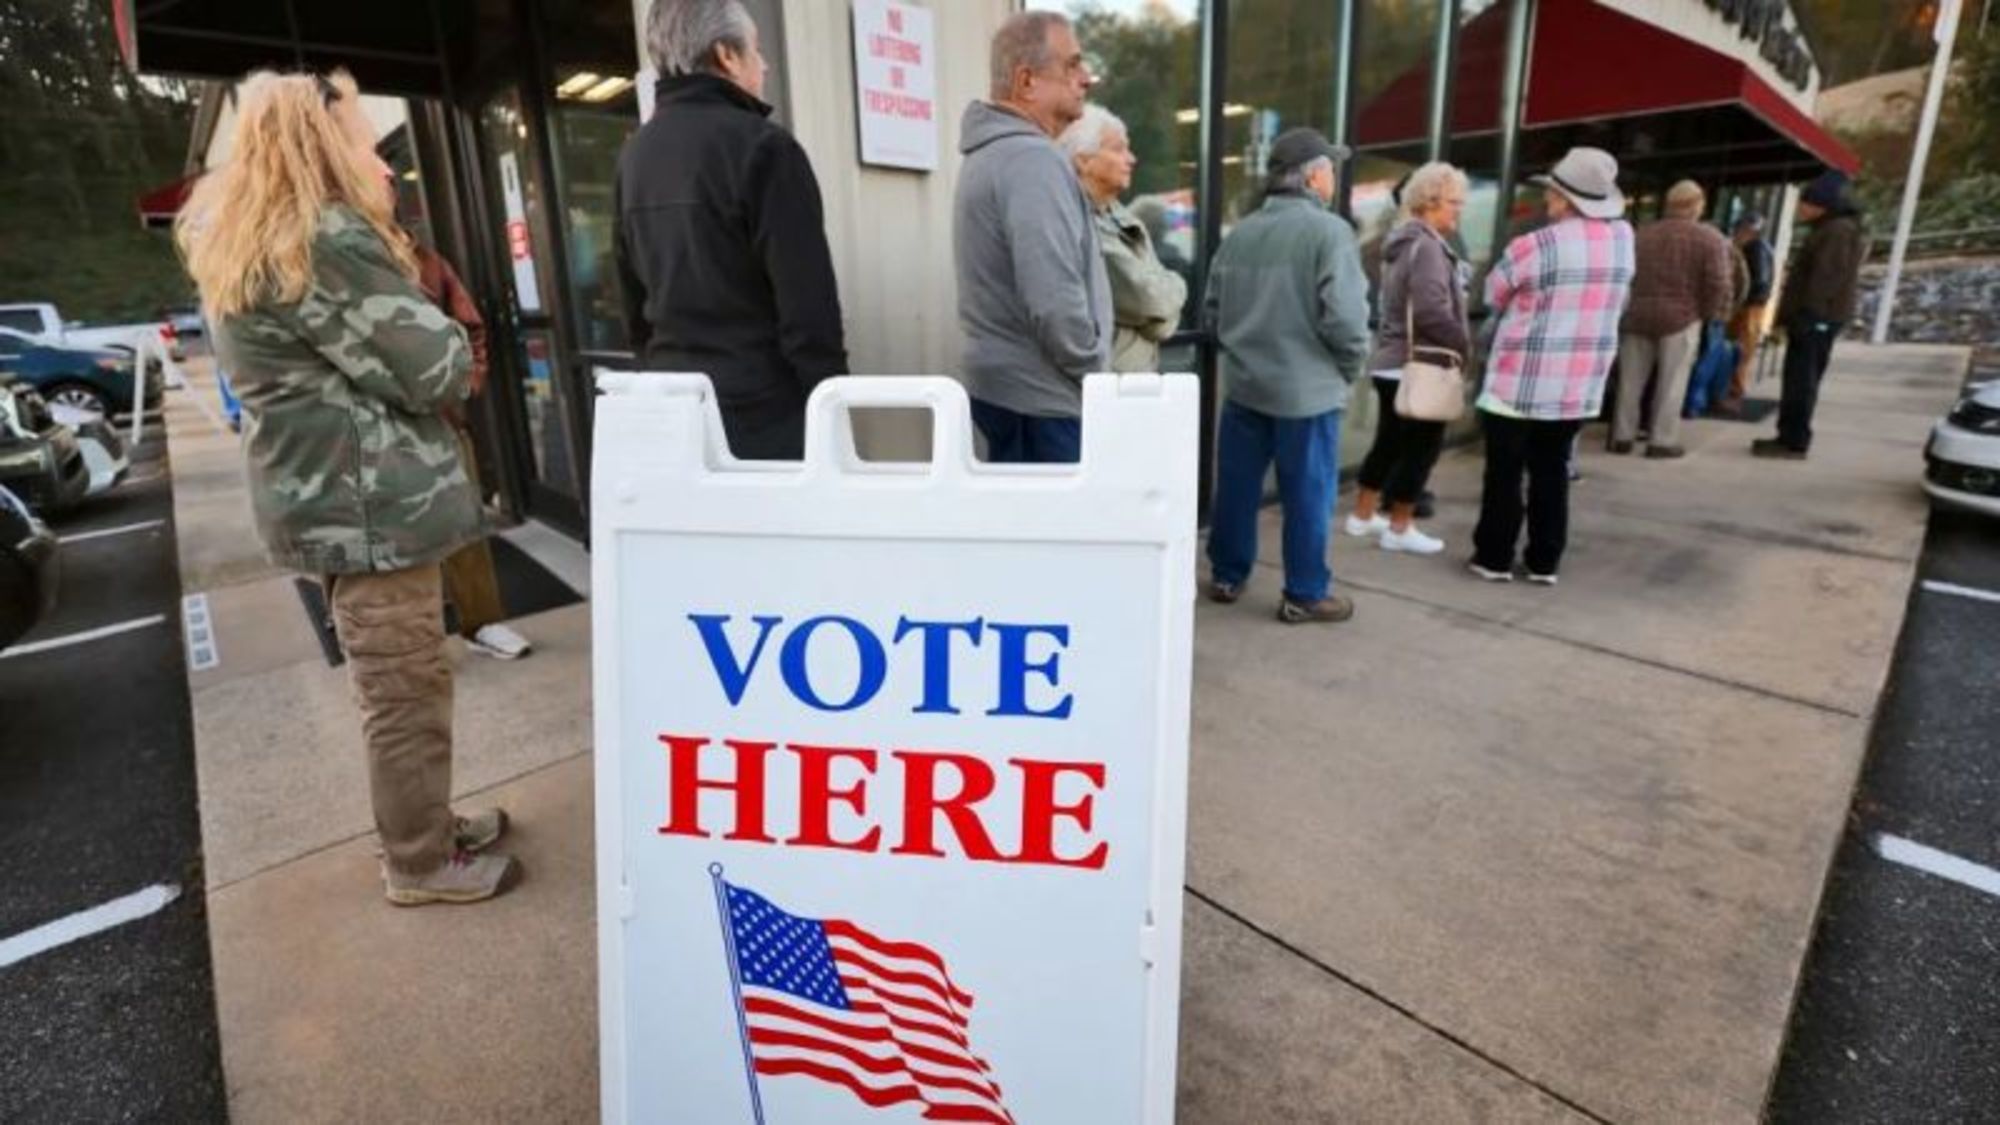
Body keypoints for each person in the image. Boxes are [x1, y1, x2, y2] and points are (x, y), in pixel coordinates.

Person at [176, 70, 517, 904]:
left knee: (404, 683)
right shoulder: (323, 241)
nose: (387, 163)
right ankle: (421, 863)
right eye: (368, 143)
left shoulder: (262, 237)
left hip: (336, 504)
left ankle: (426, 830)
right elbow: (436, 364)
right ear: (323, 147)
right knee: (403, 691)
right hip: (371, 515)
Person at [616, 0, 848, 459]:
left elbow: (632, 306)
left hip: (674, 415)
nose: (763, 65)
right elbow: (808, 314)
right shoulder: (765, 149)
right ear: (726, 54)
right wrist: (833, 413)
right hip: (765, 418)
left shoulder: (634, 157)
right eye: (756, 50)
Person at [1202, 129, 1371, 624]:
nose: (1333, 179)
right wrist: (1347, 368)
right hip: (1307, 392)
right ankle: (1304, 592)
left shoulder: (1241, 234)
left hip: (1246, 386)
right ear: (1315, 175)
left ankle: (1227, 576)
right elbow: (1345, 318)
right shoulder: (1330, 232)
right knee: (1308, 496)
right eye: (1331, 169)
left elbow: (1213, 312)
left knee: (1236, 488)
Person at [1472, 147, 1635, 586]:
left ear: (1564, 199)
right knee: (1553, 470)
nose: (1547, 201)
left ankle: (1494, 557)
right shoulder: (1624, 241)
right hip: (1578, 385)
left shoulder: (1535, 244)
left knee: (1504, 473)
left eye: (1552, 194)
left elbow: (1493, 294)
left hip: (1518, 382)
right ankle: (1545, 561)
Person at [954, 10, 1108, 463]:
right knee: (1064, 534)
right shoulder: (1031, 161)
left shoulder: (993, 154)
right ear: (1026, 81)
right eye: (1072, 65)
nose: (1087, 78)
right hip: (1043, 405)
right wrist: (1093, 370)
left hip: (1018, 398)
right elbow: (1054, 301)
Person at [410, 239, 532, 661]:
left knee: (464, 519)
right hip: (368, 427)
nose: (387, 183)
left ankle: (480, 622)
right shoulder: (328, 256)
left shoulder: (420, 255)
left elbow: (471, 324)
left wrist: (468, 380)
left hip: (440, 416)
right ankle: (401, 643)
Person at [1347, 161, 1471, 557]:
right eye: (1454, 201)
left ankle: (1364, 515)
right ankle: (1400, 526)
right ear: (1431, 201)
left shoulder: (1401, 243)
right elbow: (1433, 311)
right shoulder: (1430, 248)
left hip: (1392, 361)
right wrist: (1463, 344)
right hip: (1418, 365)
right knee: (1421, 449)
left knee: (1388, 442)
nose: (1459, 209)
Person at [1058, 105, 1187, 374]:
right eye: (1118, 149)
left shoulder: (1125, 218)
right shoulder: (1078, 225)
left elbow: (1158, 320)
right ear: (1084, 160)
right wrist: (1175, 288)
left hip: (1137, 382)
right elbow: (1153, 304)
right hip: (1106, 388)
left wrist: (1160, 302)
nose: (1132, 159)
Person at [1610, 179, 1732, 459]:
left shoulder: (1642, 234)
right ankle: (1661, 441)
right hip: (1681, 317)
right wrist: (1706, 312)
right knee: (1672, 383)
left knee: (1630, 382)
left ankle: (1621, 437)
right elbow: (1718, 282)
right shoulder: (1709, 238)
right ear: (1697, 205)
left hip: (1637, 315)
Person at [1754, 171, 1866, 460]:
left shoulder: (1837, 231)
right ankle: (1788, 435)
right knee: (1797, 379)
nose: (1800, 209)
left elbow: (1826, 278)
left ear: (1821, 204)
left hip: (1816, 319)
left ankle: (1794, 439)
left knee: (1802, 381)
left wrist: (1808, 315)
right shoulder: (1832, 228)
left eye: (1805, 203)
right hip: (1814, 317)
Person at [1713, 211, 1774, 418]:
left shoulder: (1755, 249)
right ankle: (1732, 390)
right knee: (1741, 349)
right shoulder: (1759, 248)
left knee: (1741, 349)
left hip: (1749, 307)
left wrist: (1740, 301)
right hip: (1752, 305)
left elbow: (1758, 281)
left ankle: (1734, 392)